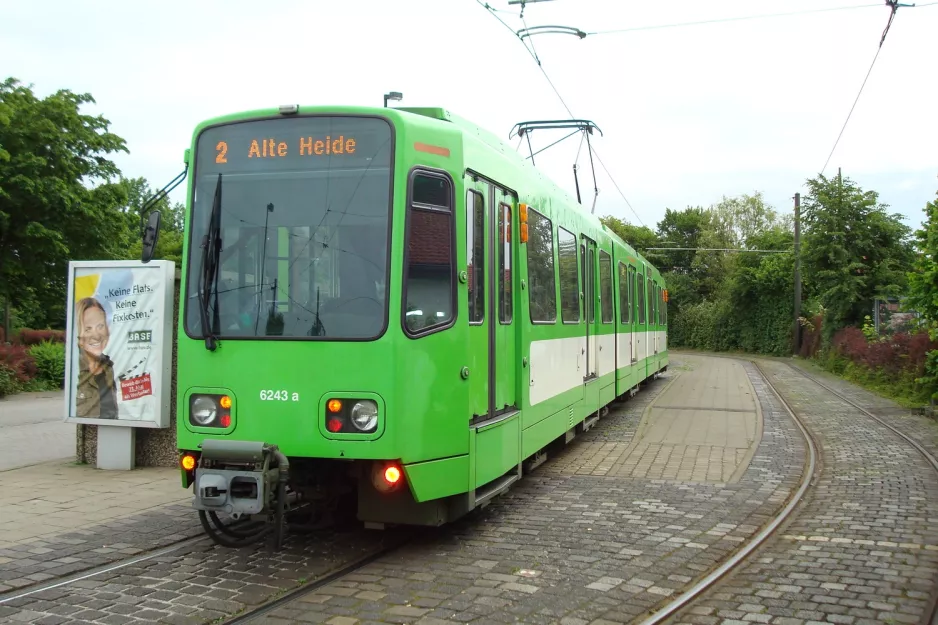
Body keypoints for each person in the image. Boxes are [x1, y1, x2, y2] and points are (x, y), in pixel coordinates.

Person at [74, 297, 118, 419]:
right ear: (77, 335)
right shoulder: (74, 368)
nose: (96, 335)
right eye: (88, 329)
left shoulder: (109, 366)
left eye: (100, 326)